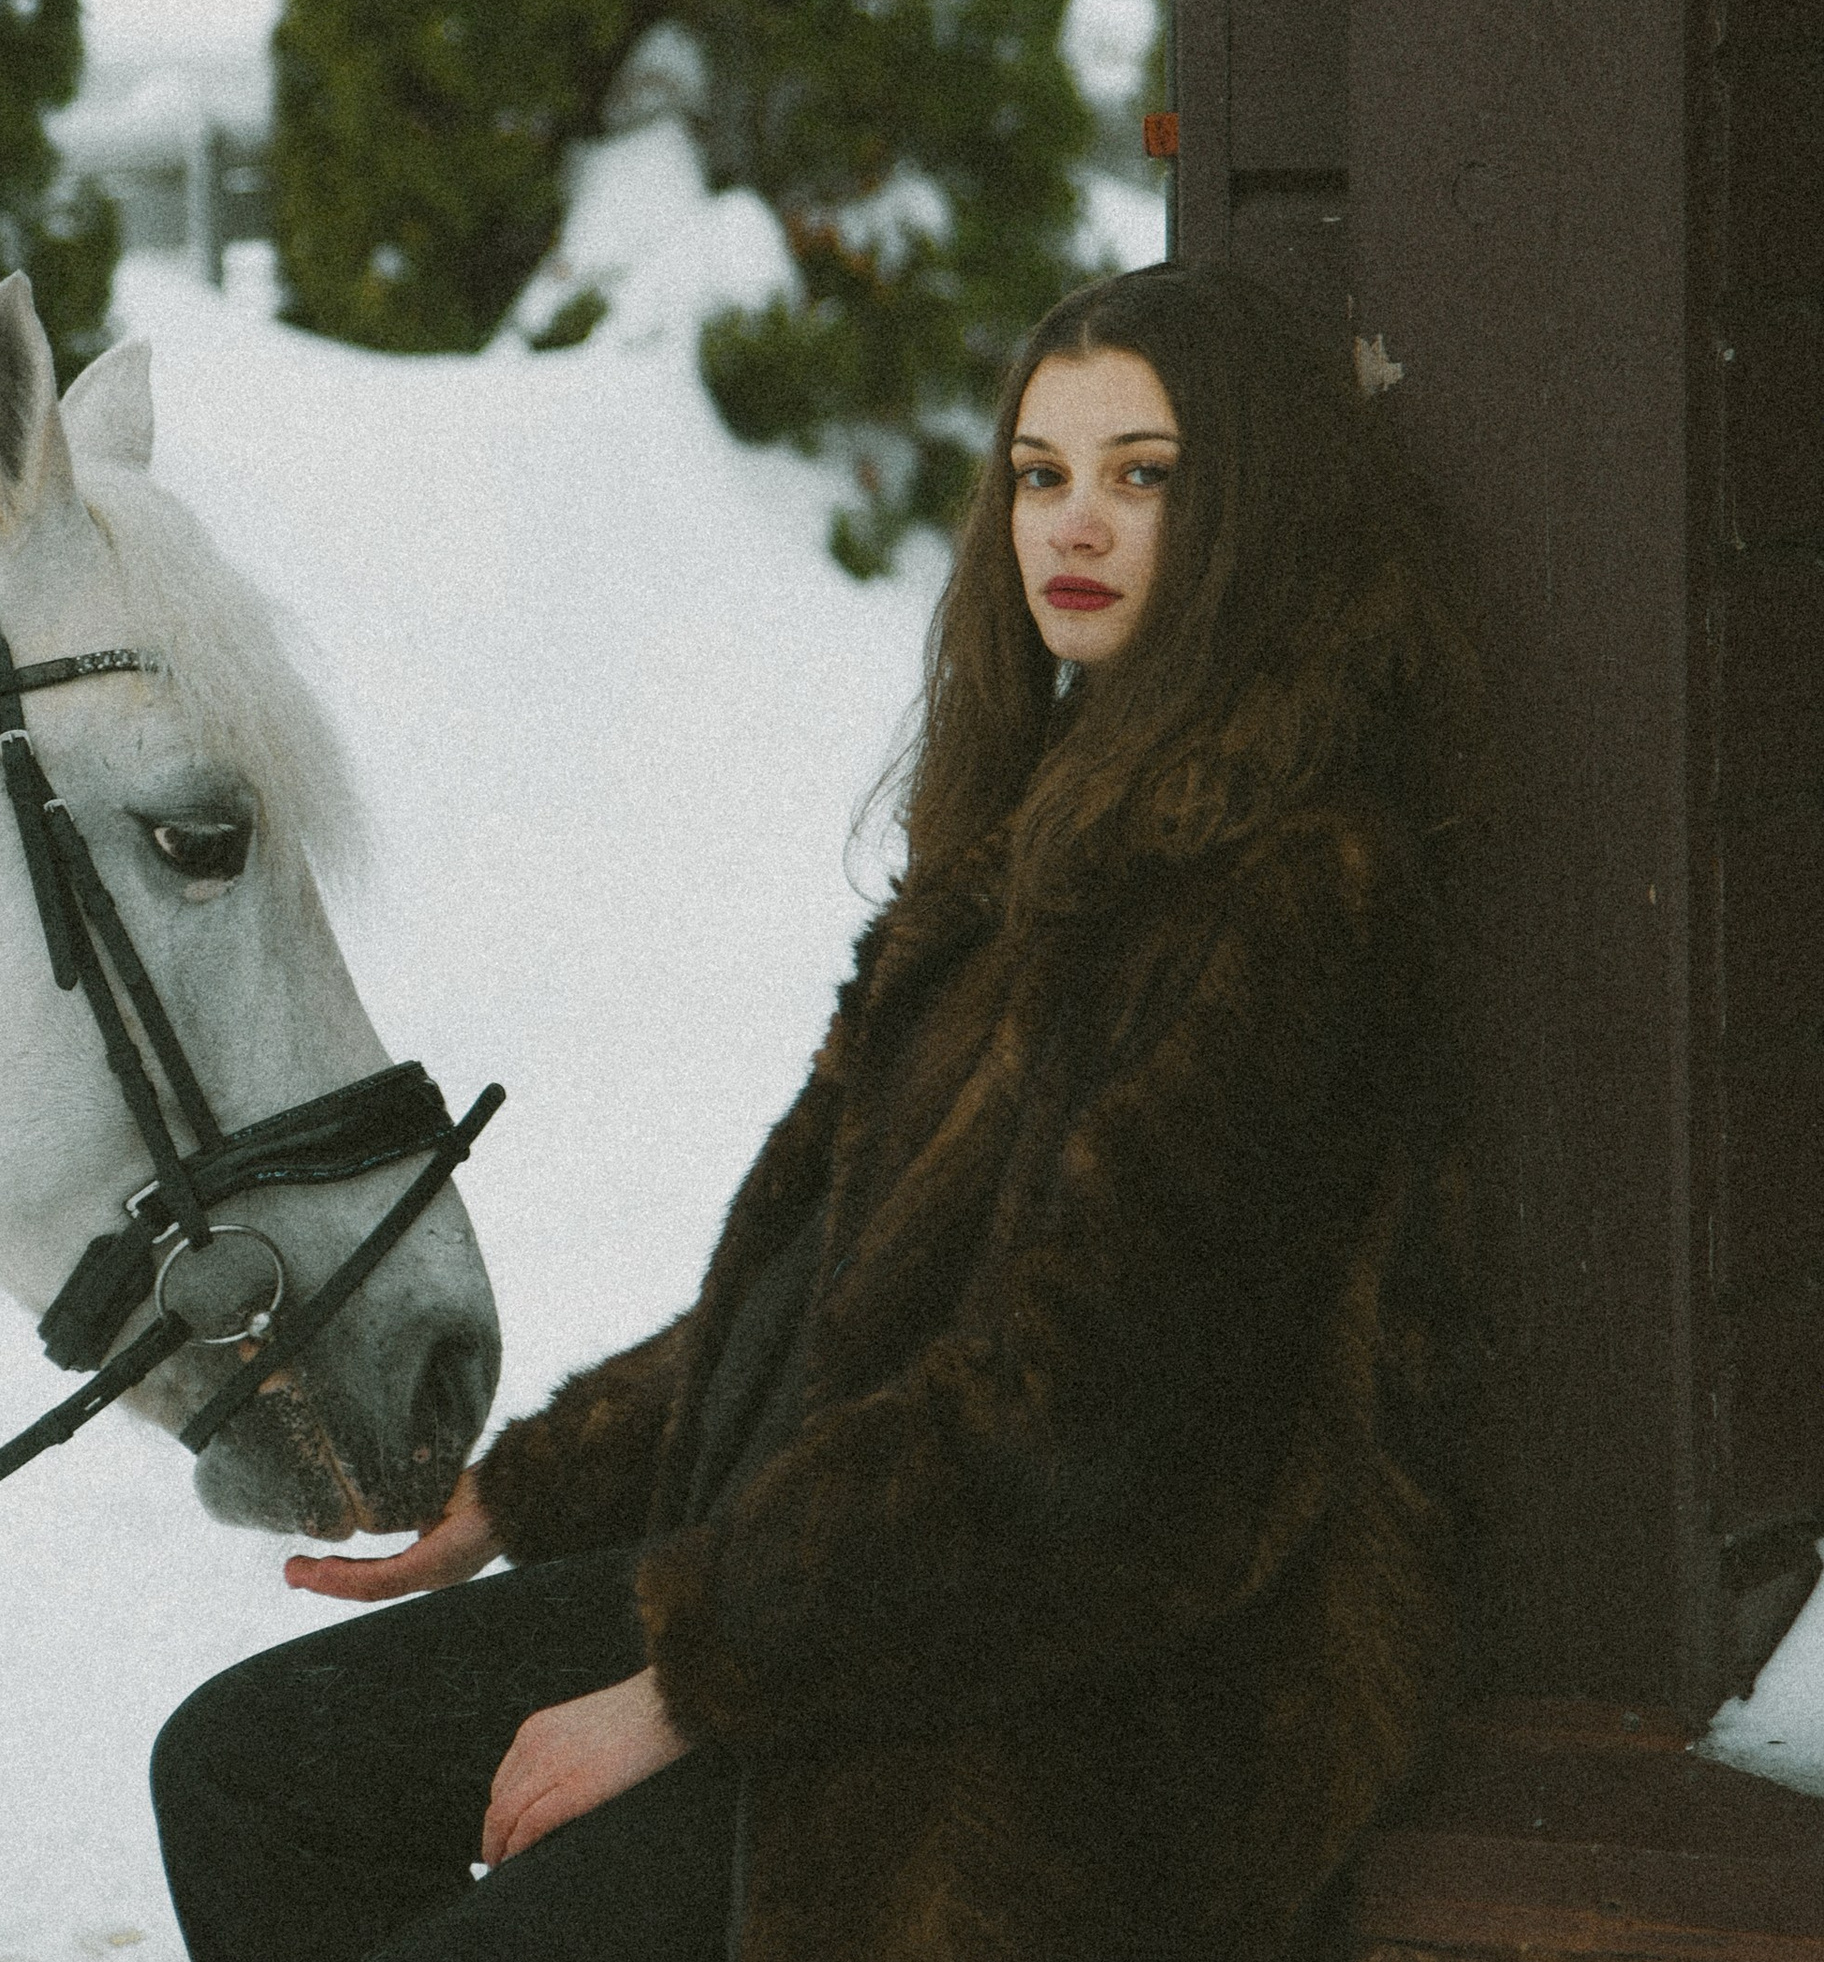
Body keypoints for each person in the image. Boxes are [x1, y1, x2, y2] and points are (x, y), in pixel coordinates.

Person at [153, 265, 1479, 1962]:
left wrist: (686, 1688)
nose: (1074, 523)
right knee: (244, 1773)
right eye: (1041, 472)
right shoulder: (1037, 830)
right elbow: (825, 1272)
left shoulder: (1290, 892)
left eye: (1145, 475)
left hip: (1070, 1708)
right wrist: (541, 1486)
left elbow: (1095, 1434)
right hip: (855, 1592)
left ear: (1253, 515)